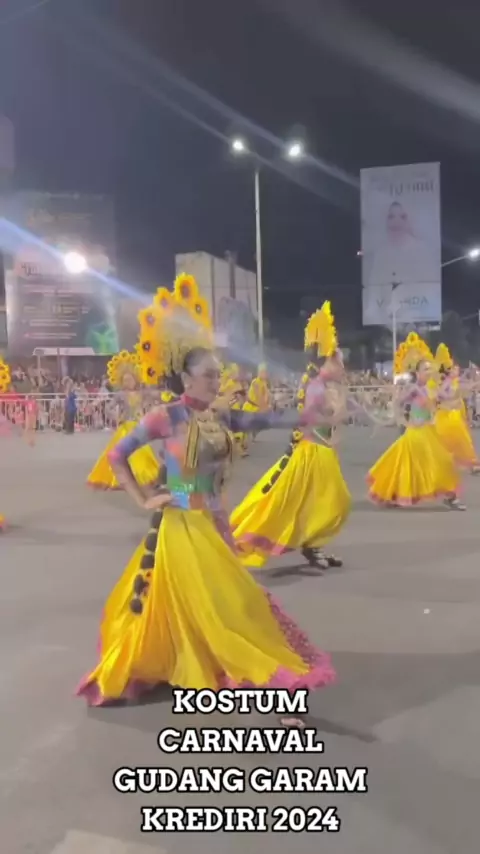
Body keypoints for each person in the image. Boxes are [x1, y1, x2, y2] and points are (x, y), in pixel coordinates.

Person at [77, 277, 334, 721]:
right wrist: (143, 499)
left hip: (215, 522)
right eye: (210, 375)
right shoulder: (166, 416)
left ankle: (220, 662)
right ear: (186, 379)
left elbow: (262, 420)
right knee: (226, 605)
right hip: (182, 525)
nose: (218, 380)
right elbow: (118, 455)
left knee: (222, 604)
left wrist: (306, 415)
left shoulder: (219, 415)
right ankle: (272, 689)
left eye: (219, 373)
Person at [230, 302, 351, 571]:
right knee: (329, 501)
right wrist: (334, 418)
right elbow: (308, 418)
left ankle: (313, 544)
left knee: (318, 502)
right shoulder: (317, 387)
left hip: (319, 450)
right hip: (313, 451)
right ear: (327, 361)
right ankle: (305, 543)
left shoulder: (322, 385)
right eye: (338, 360)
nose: (343, 365)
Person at [368, 333, 464, 509]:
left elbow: (448, 396)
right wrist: (401, 419)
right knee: (407, 466)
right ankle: (395, 494)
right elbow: (398, 402)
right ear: (417, 373)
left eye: (429, 368)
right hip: (415, 434)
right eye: (425, 369)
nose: (428, 372)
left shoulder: (431, 389)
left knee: (442, 462)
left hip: (429, 433)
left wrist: (454, 381)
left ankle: (450, 497)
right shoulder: (413, 389)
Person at [87, 351, 160, 490]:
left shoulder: (142, 394)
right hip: (125, 428)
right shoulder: (121, 395)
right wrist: (116, 417)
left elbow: (154, 400)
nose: (128, 382)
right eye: (125, 380)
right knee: (123, 454)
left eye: (130, 379)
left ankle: (142, 477)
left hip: (139, 427)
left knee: (141, 453)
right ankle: (126, 479)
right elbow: (108, 407)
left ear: (136, 379)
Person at [433, 344, 480, 474]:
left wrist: (474, 383)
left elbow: (465, 387)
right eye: (454, 368)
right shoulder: (444, 382)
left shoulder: (454, 381)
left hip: (454, 415)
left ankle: (471, 463)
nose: (457, 370)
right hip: (445, 416)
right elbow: (441, 395)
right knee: (450, 441)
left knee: (464, 440)